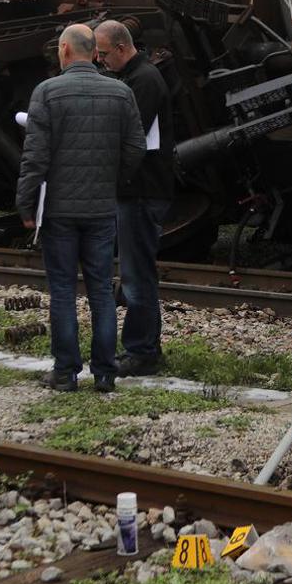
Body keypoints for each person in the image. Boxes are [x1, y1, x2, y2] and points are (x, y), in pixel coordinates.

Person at [16, 24, 145, 393]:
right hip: (102, 210)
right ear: (93, 51)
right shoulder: (121, 93)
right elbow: (135, 147)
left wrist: (25, 204)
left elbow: (35, 157)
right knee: (102, 290)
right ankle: (105, 373)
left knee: (62, 290)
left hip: (58, 211)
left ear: (65, 51)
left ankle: (66, 372)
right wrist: (114, 180)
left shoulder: (47, 92)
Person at [94, 20, 172, 376]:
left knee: (136, 274)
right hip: (138, 190)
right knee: (138, 271)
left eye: (105, 53)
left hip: (141, 191)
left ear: (123, 48)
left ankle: (141, 352)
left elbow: (130, 134)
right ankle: (147, 347)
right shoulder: (136, 77)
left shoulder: (143, 81)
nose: (101, 59)